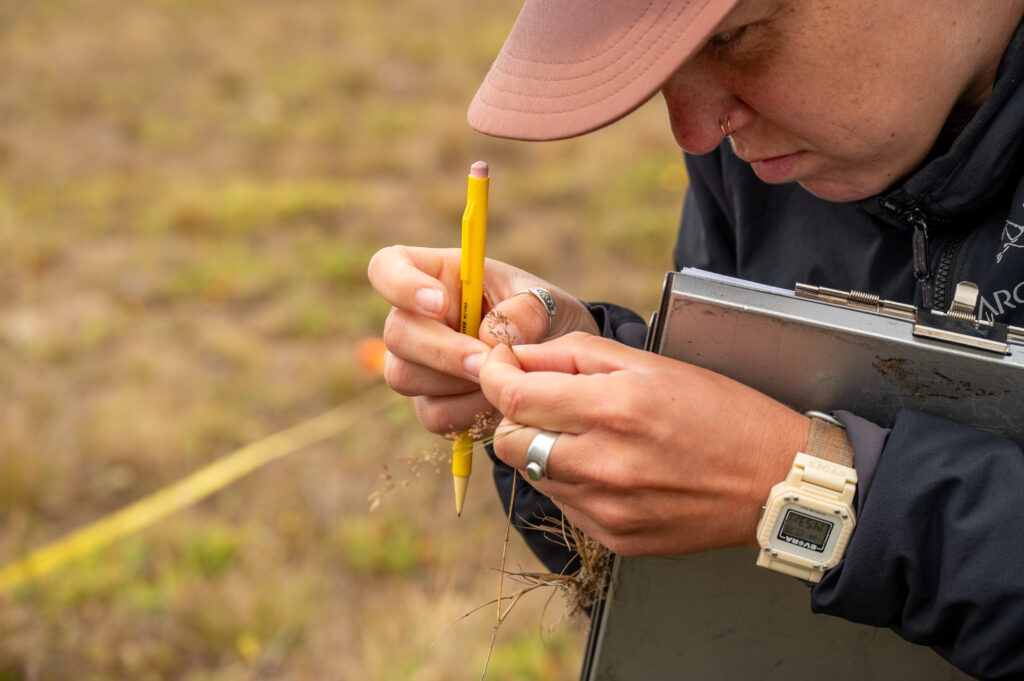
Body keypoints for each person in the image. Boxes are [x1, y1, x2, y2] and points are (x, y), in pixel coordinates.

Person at [367, 0, 1024, 677]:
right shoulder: (766, 158)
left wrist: (810, 492)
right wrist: (583, 398)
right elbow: (721, 621)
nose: (696, 130)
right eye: (665, 68)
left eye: (732, 38)